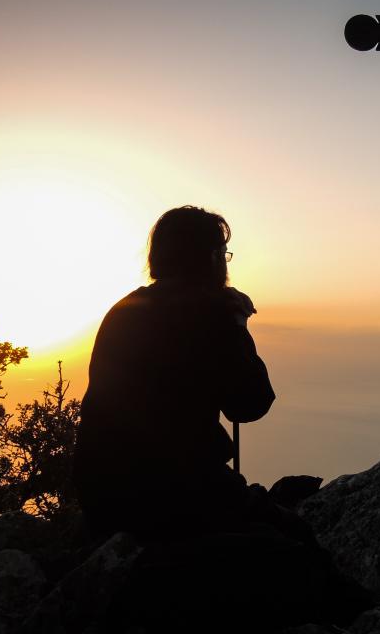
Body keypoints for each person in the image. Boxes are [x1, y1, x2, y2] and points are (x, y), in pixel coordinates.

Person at [74, 205, 275, 540]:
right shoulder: (209, 316)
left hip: (102, 497)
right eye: (223, 253)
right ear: (211, 258)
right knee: (296, 544)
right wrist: (237, 323)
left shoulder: (124, 309)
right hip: (174, 497)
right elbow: (250, 404)